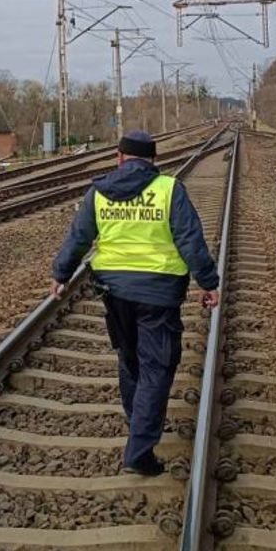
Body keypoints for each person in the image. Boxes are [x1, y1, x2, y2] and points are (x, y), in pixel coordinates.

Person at [51, 130, 219, 475]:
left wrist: (61, 274)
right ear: (153, 160)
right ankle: (140, 451)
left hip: (115, 292)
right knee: (156, 368)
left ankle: (138, 423)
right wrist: (208, 283)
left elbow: (79, 237)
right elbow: (190, 240)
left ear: (119, 157)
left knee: (130, 362)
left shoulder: (99, 191)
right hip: (158, 292)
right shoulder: (169, 189)